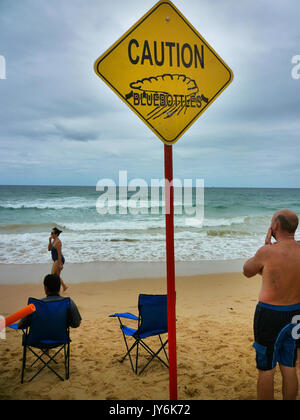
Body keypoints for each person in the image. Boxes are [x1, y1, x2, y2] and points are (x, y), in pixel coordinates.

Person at [243, 209, 300, 400]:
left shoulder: (267, 252)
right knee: (289, 365)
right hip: (295, 314)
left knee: (266, 368)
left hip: (269, 315)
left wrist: (266, 246)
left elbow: (247, 271)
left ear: (274, 226)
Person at [48, 227, 68, 292]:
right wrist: (49, 241)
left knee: (52, 276)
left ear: (56, 234)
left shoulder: (58, 242)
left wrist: (60, 264)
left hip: (58, 260)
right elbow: (49, 249)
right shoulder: (54, 240)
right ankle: (64, 286)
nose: (51, 234)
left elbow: (59, 254)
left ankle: (54, 290)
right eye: (51, 233)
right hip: (56, 260)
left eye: (52, 233)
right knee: (57, 276)